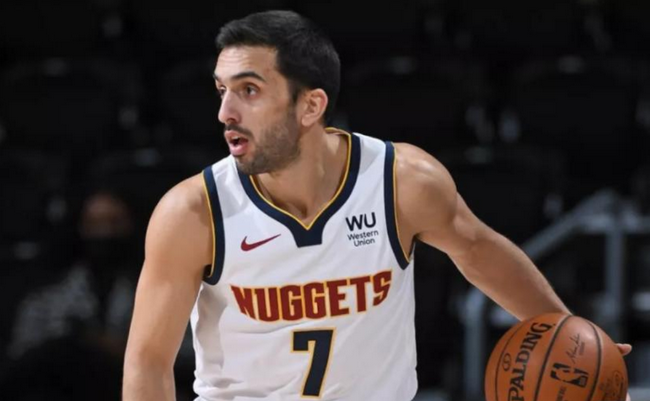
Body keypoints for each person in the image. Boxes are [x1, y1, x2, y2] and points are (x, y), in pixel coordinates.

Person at [123, 10, 632, 401]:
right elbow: (148, 361)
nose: (225, 112)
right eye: (222, 91)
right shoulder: (193, 212)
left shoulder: (400, 181)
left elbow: (479, 250)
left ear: (311, 105)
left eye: (248, 91)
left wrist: (576, 341)